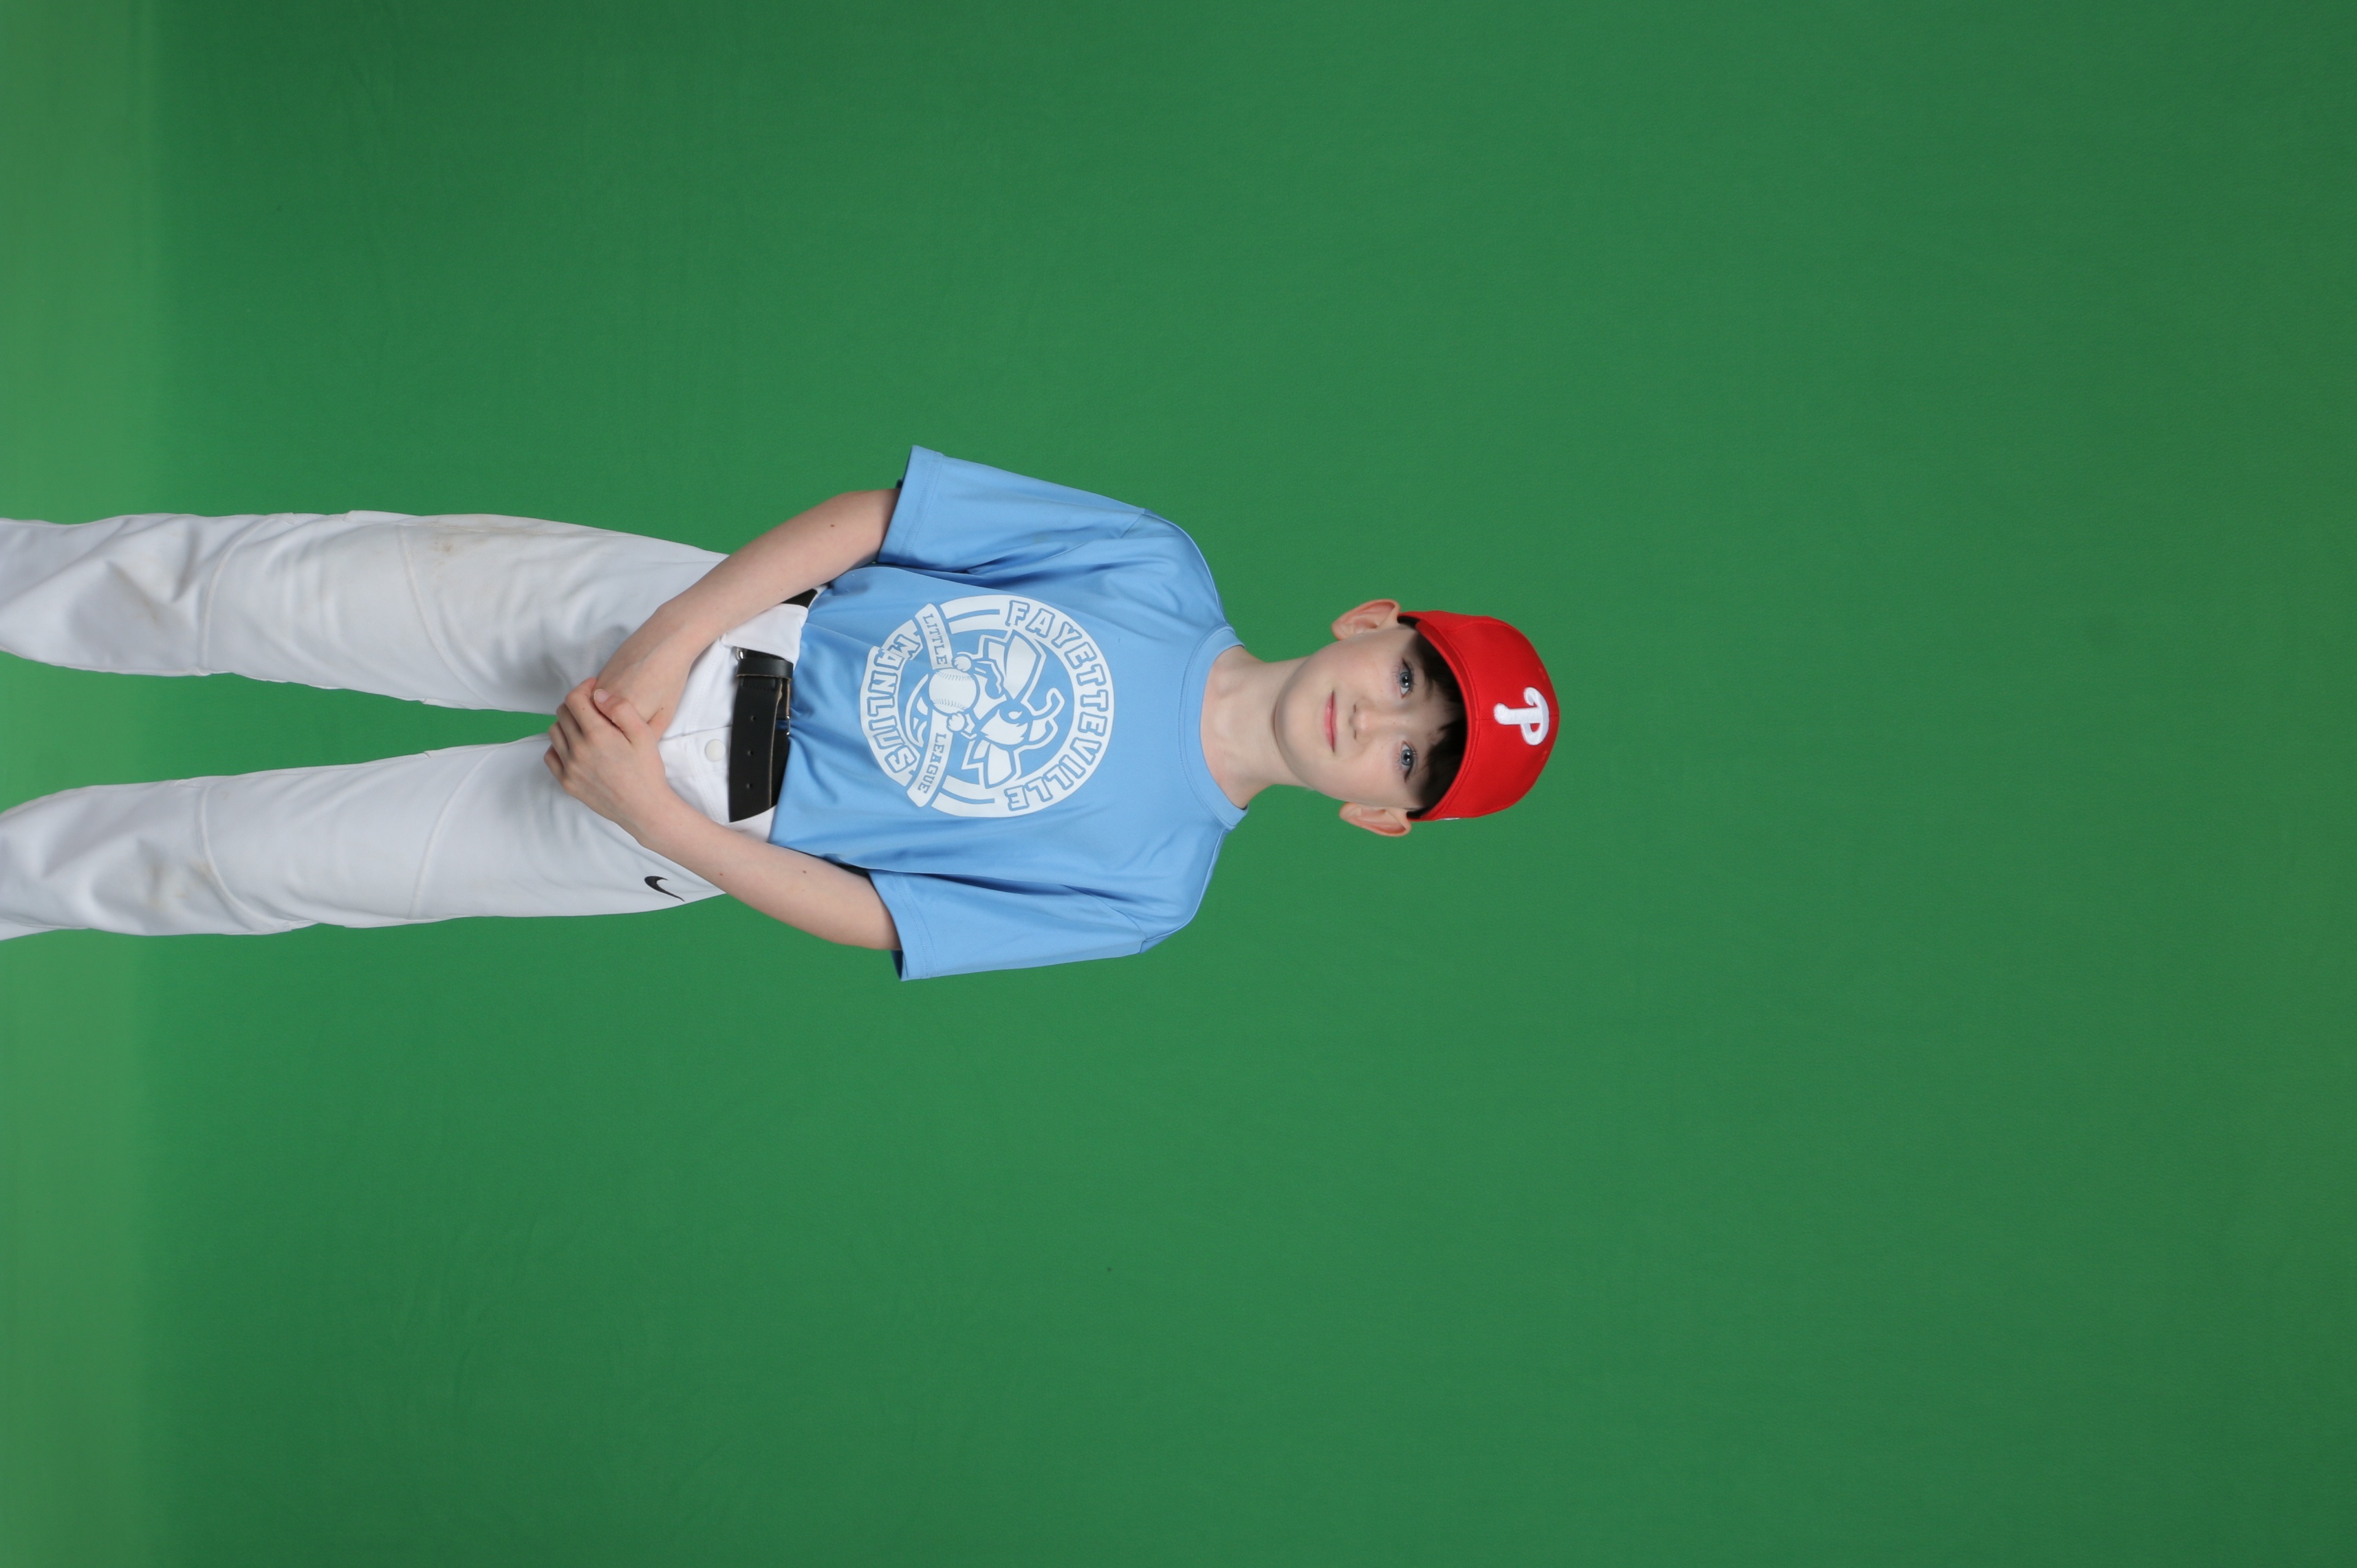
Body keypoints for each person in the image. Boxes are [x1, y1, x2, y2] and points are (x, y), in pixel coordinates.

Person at [0, 448, 1558, 977]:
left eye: (1416, 762)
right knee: (254, 588)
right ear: (1375, 622)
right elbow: (885, 518)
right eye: (1412, 683)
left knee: (250, 865)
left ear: (1383, 816)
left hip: (673, 826)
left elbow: (883, 917)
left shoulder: (1153, 888)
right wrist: (675, 636)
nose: (1385, 725)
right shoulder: (1154, 564)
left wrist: (654, 816)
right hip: (698, 621)